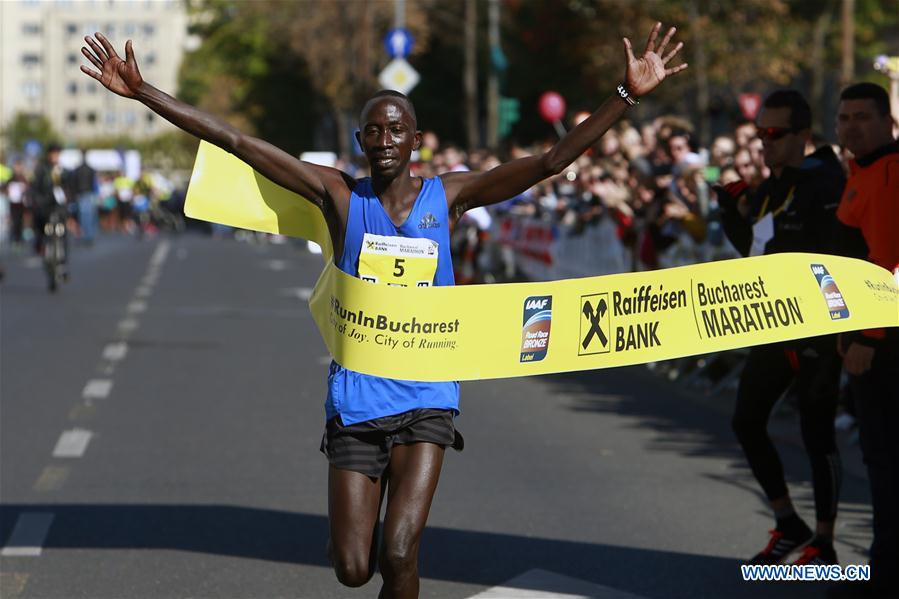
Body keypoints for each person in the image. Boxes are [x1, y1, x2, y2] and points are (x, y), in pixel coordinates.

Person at [80, 25, 686, 597]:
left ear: (416, 139)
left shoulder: (447, 195)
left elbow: (549, 163)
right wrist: (143, 94)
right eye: (375, 131)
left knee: (399, 552)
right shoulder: (339, 195)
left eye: (397, 129)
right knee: (352, 568)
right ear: (360, 141)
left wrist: (626, 94)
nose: (386, 140)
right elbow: (237, 142)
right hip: (357, 400)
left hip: (427, 396)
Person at [717, 90, 848, 566]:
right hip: (776, 324)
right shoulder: (775, 186)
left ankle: (826, 542)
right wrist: (729, 213)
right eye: (760, 134)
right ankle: (788, 522)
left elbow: (840, 253)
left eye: (774, 134)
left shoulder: (825, 180)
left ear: (801, 137)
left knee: (817, 433)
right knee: (745, 421)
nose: (765, 144)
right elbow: (756, 255)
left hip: (818, 324)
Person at [833, 82, 899, 597]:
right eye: (844, 117)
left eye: (862, 117)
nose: (852, 125)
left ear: (888, 123)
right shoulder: (860, 172)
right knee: (879, 459)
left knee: (888, 460)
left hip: (888, 345)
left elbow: (890, 267)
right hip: (868, 336)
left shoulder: (893, 174)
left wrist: (869, 340)